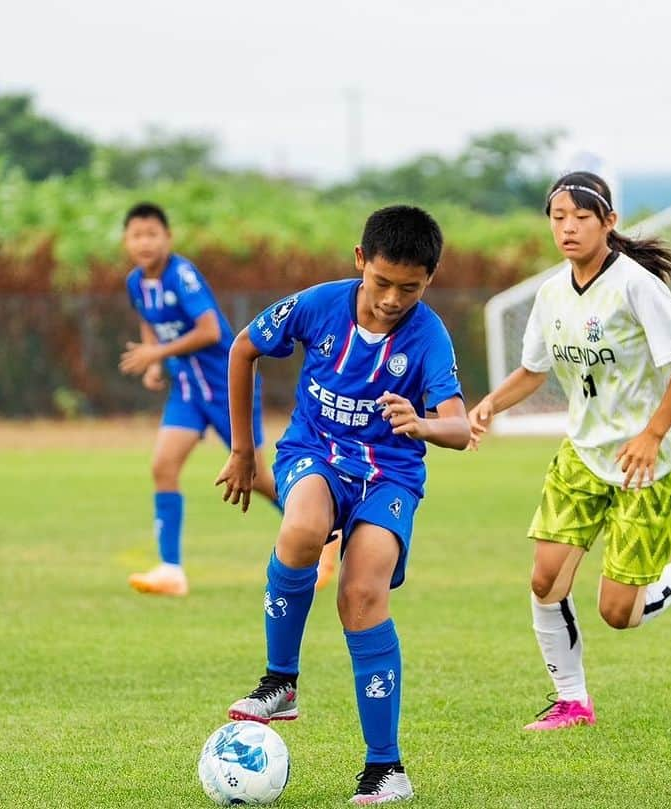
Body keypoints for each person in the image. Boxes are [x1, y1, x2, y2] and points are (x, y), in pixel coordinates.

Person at [215, 205, 469, 804]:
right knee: (302, 525)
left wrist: (423, 425)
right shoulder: (319, 304)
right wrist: (243, 451)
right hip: (317, 452)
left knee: (361, 595)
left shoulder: (428, 335)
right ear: (361, 262)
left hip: (391, 477)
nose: (391, 299)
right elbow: (243, 348)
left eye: (409, 288)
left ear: (429, 280)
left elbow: (459, 428)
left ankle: (386, 769)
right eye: (381, 282)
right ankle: (280, 681)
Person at [467, 171, 671, 731]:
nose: (569, 228)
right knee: (544, 581)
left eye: (581, 217)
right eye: (558, 218)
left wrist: (652, 433)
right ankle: (572, 702)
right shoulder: (552, 293)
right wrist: (488, 405)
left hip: (643, 460)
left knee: (618, 614)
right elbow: (534, 372)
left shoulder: (634, 285)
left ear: (609, 223)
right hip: (582, 452)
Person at [119, 202, 277, 596]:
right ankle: (171, 570)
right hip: (188, 392)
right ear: (126, 241)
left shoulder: (182, 275)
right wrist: (156, 357)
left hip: (227, 388)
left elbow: (209, 331)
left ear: (168, 238)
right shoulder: (136, 283)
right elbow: (149, 321)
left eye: (152, 234)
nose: (144, 242)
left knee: (256, 478)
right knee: (162, 466)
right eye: (136, 235)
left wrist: (156, 354)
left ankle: (327, 530)